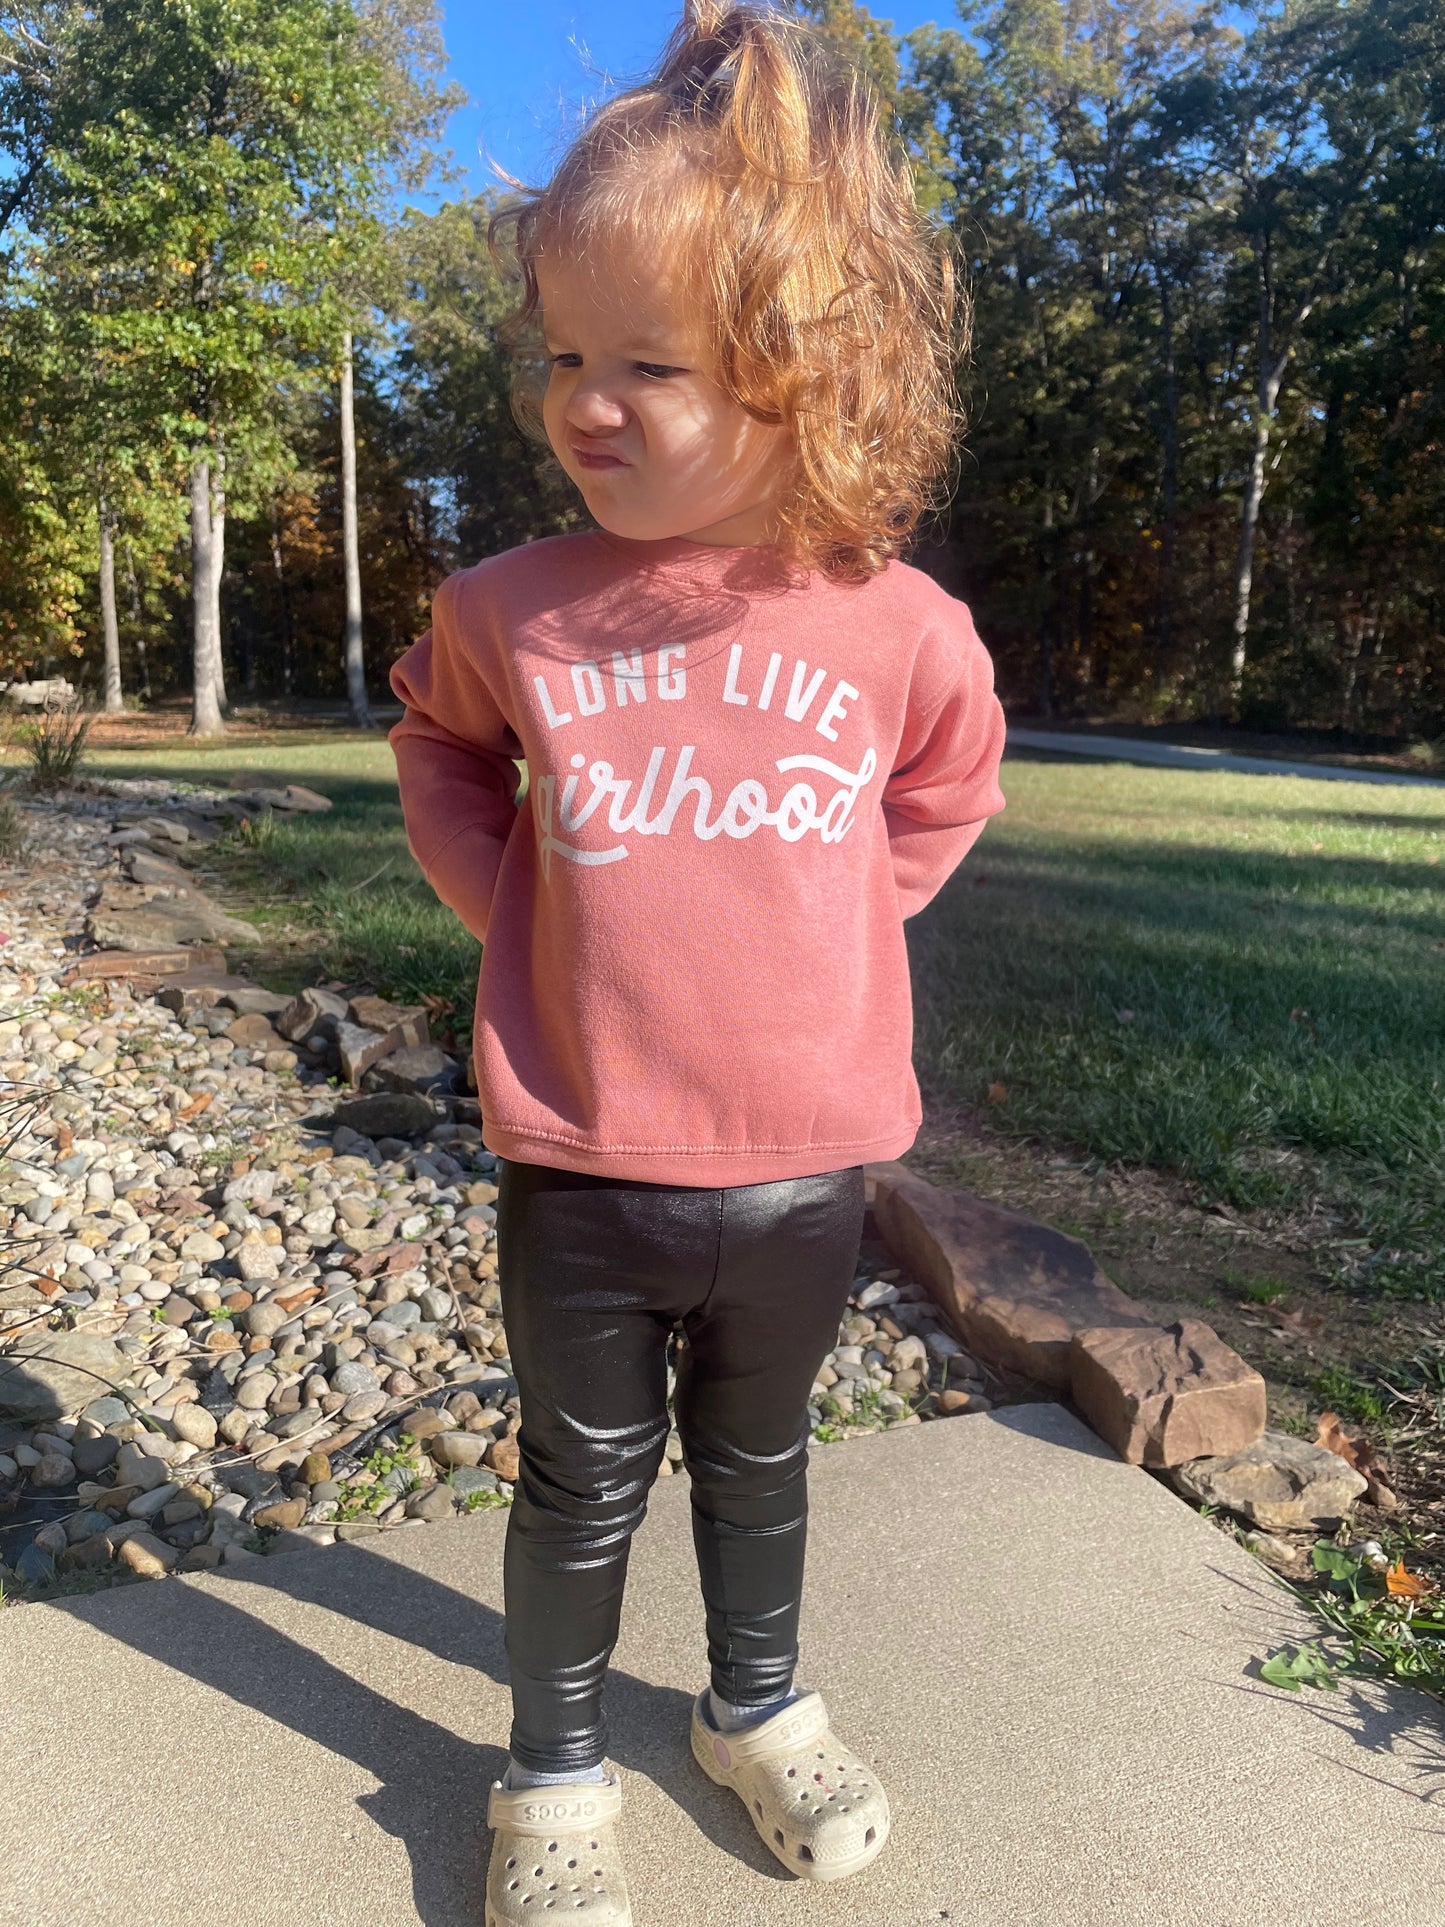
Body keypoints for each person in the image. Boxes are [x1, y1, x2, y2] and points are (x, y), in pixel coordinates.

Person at [388, 4, 1007, 1920]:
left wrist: (842, 919)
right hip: (583, 1159)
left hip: (809, 1161)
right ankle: (553, 1772)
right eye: (564, 353)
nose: (585, 399)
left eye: (645, 362)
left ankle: (752, 1705)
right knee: (577, 1483)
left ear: (801, 374)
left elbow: (946, 784)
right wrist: (519, 916)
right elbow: (433, 745)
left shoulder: (896, 625)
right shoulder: (508, 610)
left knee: (761, 1462)